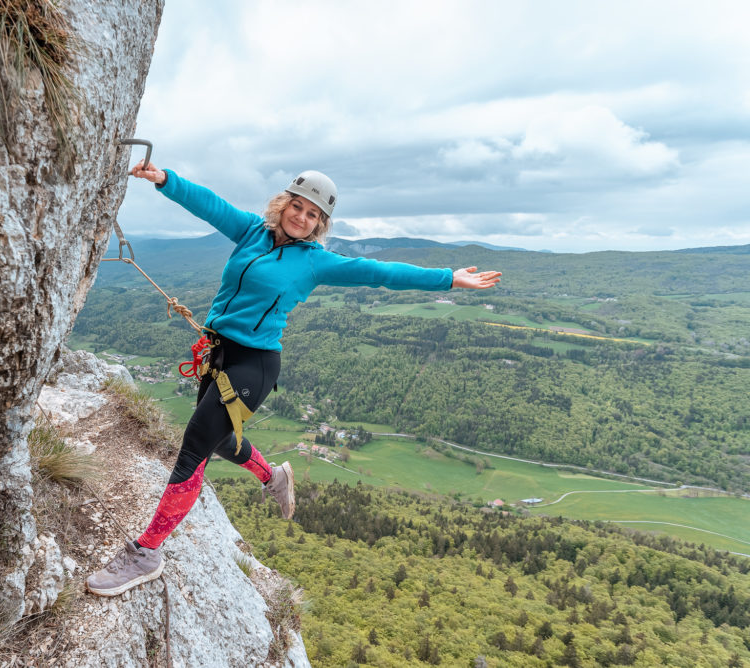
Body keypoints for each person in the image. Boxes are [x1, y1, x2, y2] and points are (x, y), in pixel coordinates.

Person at [86, 163, 501, 596]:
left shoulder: (316, 263)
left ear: (321, 224)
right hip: (218, 354)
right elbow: (209, 205)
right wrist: (165, 179)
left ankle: (146, 552)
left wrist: (449, 278)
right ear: (284, 204)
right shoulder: (251, 232)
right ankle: (275, 478)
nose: (300, 218)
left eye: (312, 215)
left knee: (194, 449)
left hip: (254, 366)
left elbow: (380, 272)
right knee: (221, 440)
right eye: (296, 206)